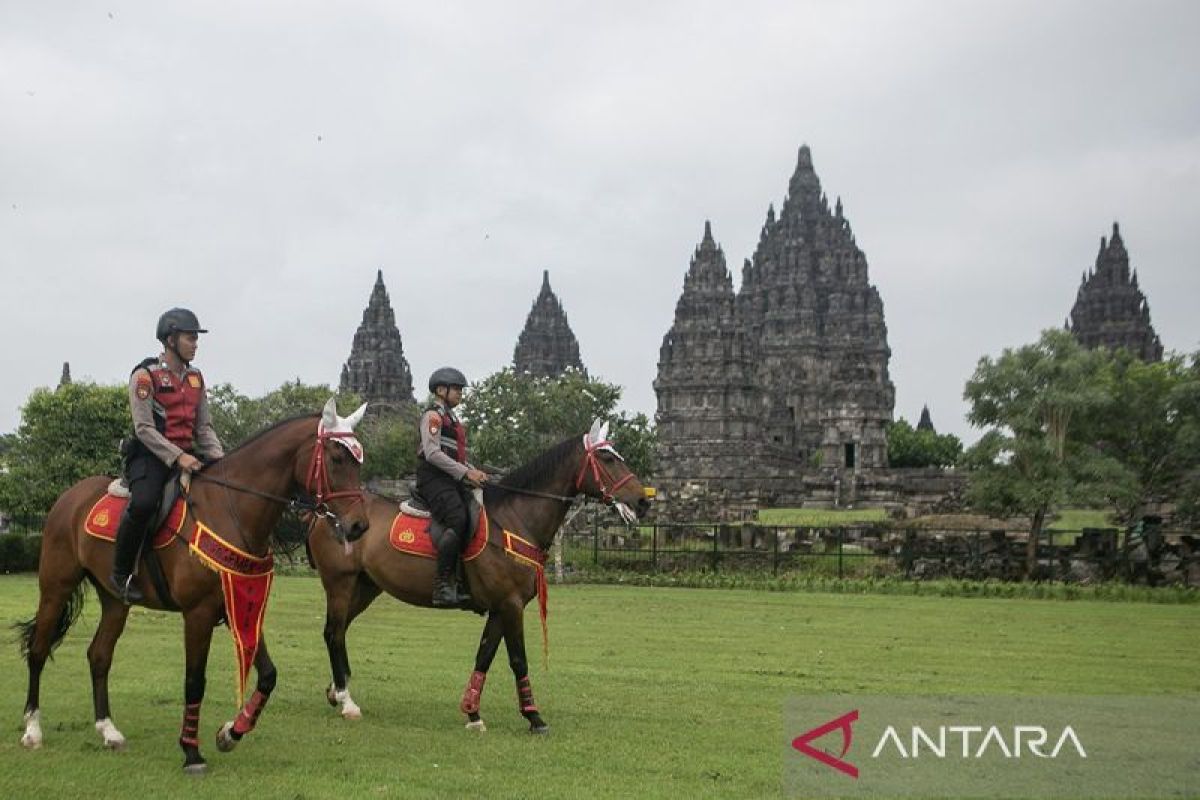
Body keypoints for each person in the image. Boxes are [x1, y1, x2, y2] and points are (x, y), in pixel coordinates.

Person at [109, 308, 225, 603]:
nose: (195, 344)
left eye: (196, 339)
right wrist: (178, 458)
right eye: (190, 338)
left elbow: (204, 427)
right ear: (171, 340)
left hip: (189, 453)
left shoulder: (197, 379)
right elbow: (144, 429)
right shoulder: (145, 377)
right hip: (150, 458)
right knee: (145, 503)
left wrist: (222, 462)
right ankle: (121, 574)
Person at [416, 367, 488, 607]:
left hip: (450, 478)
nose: (460, 394)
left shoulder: (453, 419)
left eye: (460, 389)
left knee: (474, 513)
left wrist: (475, 472)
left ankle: (463, 580)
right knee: (457, 517)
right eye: (456, 389)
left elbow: (455, 457)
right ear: (440, 390)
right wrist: (466, 472)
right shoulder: (433, 416)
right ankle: (442, 586)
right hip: (432, 478)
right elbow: (433, 453)